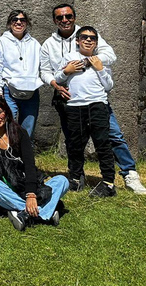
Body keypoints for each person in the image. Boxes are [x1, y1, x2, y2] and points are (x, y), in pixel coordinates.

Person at [40, 4, 146, 195]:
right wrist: (57, 83)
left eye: (68, 16)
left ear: (74, 17)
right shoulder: (48, 44)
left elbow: (110, 56)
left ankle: (128, 174)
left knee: (112, 135)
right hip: (68, 100)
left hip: (96, 100)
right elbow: (45, 71)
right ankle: (76, 177)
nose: (65, 20)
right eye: (60, 18)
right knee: (74, 141)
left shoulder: (89, 34)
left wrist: (87, 62)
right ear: (54, 20)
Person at [0, 96, 69, 231]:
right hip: (7, 187)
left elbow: (29, 164)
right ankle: (44, 213)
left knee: (62, 180)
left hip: (27, 183)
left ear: (6, 113)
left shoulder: (19, 133)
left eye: (0, 112)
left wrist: (31, 194)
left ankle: (26, 213)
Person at [54, 27, 118, 198]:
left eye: (92, 38)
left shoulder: (100, 60)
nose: (88, 40)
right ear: (77, 40)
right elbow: (58, 79)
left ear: (96, 42)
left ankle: (108, 183)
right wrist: (65, 72)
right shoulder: (69, 58)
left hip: (97, 105)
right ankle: (75, 178)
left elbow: (108, 86)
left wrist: (100, 69)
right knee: (75, 144)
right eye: (84, 37)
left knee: (102, 144)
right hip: (75, 106)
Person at [0, 10, 44, 139]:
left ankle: (25, 156)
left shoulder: (35, 44)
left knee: (28, 129)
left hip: (31, 90)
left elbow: (43, 65)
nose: (18, 22)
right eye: (15, 20)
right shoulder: (1, 42)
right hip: (9, 90)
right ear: (9, 23)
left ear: (27, 23)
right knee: (8, 124)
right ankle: (8, 154)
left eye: (22, 20)